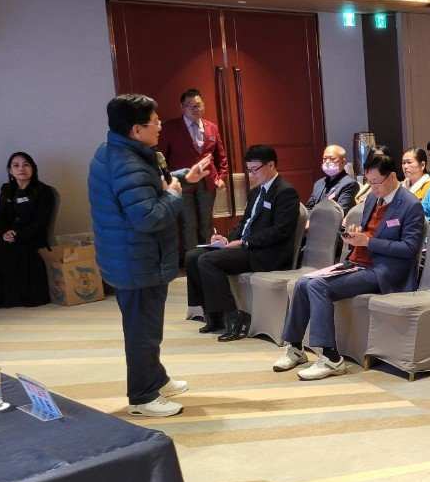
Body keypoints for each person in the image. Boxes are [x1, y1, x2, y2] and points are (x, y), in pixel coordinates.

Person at [89, 94, 207, 417]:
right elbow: (148, 216)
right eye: (154, 122)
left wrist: (182, 177)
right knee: (142, 331)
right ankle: (142, 397)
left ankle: (156, 379)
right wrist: (174, 197)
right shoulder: (128, 163)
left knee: (146, 327)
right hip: (137, 261)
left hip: (132, 258)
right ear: (135, 130)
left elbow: (147, 187)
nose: (160, 126)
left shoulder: (115, 151)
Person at [273, 154, 425, 380]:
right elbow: (368, 232)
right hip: (358, 262)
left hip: (385, 272)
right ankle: (295, 347)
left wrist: (369, 242)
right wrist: (354, 237)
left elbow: (409, 249)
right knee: (303, 282)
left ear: (393, 177)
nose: (372, 188)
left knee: (318, 286)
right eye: (369, 182)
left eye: (377, 182)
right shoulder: (372, 198)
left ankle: (331, 357)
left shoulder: (411, 205)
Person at [186, 144, 301, 341]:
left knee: (208, 261)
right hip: (247, 247)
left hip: (267, 253)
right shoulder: (256, 192)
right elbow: (245, 223)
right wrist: (227, 239)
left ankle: (233, 316)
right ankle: (213, 314)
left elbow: (280, 231)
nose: (251, 175)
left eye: (255, 169)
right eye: (249, 170)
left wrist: (245, 242)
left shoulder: (285, 192)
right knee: (192, 256)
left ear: (271, 165)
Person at [0, 152, 56, 310]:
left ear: (33, 168)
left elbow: (40, 223)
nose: (21, 169)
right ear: (10, 171)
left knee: (2, 251)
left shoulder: (44, 191)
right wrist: (4, 233)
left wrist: (17, 235)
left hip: (31, 237)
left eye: (26, 164)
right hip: (7, 235)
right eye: (16, 165)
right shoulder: (7, 190)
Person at [158, 88, 228, 249]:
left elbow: (221, 157)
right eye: (191, 106)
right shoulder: (170, 127)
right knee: (188, 223)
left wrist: (221, 178)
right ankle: (192, 258)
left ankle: (207, 257)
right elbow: (161, 158)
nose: (196, 109)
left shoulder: (212, 127)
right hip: (183, 182)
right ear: (182, 107)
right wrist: (167, 181)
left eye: (199, 105)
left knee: (206, 222)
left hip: (208, 182)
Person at [307, 145, 360, 210]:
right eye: (325, 159)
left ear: (343, 162)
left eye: (332, 159)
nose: (327, 162)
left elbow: (341, 211)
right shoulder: (319, 183)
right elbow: (309, 207)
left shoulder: (349, 184)